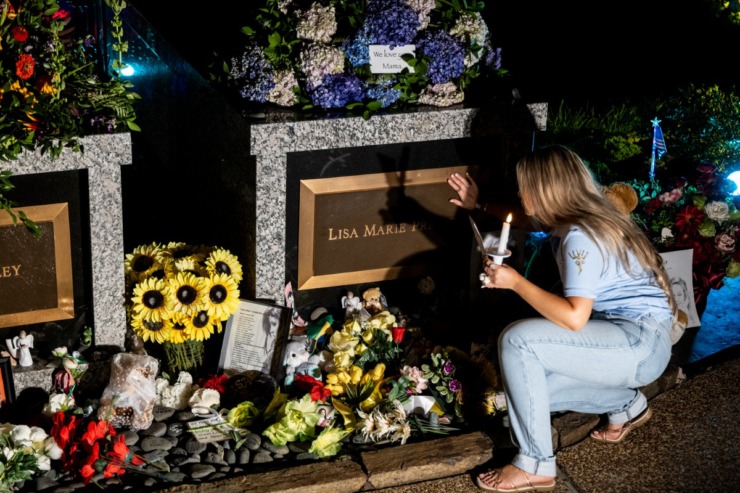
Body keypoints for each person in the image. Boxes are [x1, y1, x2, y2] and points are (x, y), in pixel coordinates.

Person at [450, 145, 677, 492]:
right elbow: (526, 219)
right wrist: (479, 204)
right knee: (524, 403)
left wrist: (514, 282)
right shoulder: (576, 219)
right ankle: (627, 405)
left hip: (637, 343)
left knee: (518, 340)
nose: (520, 192)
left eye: (524, 186)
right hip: (630, 339)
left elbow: (574, 318)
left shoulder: (579, 238)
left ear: (545, 190)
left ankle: (537, 464)